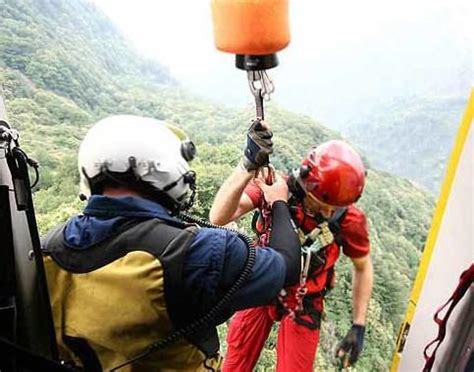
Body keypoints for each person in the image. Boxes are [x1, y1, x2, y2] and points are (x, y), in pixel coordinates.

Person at [40, 115, 301, 371]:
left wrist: (247, 164)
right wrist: (279, 202)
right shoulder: (201, 252)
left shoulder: (46, 250)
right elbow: (287, 267)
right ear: (166, 171)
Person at [210, 121, 373, 371]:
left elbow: (362, 267)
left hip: (305, 300)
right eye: (323, 204)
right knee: (234, 366)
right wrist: (247, 165)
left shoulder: (349, 220)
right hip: (262, 281)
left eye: (338, 207)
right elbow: (219, 217)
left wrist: (359, 323)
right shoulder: (275, 187)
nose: (330, 213)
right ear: (307, 186)